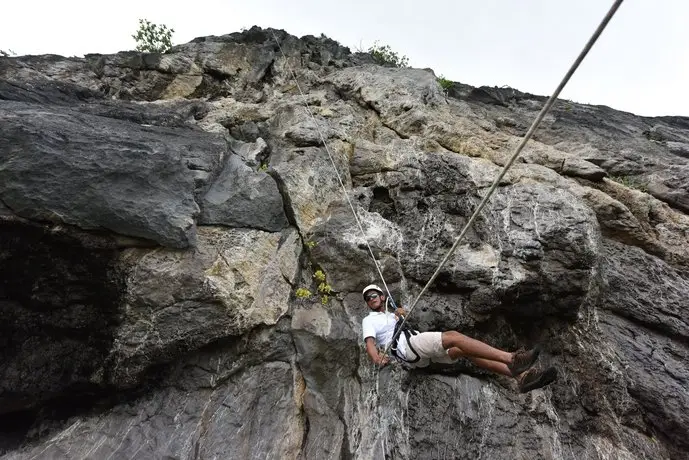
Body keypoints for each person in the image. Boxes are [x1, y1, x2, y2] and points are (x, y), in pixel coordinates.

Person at [361, 284, 558, 393]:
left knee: (464, 351)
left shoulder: (391, 315)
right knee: (454, 337)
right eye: (368, 298)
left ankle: (520, 377)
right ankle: (512, 359)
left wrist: (399, 314)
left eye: (374, 294)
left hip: (416, 355)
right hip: (409, 347)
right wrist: (377, 358)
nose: (371, 298)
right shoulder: (368, 320)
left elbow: (395, 325)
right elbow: (370, 344)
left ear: (382, 295)